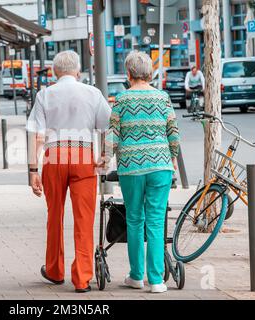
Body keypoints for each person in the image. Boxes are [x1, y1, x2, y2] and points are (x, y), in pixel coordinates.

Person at [26, 51, 111, 293]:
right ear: (77, 72)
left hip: (54, 158)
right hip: (83, 157)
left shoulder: (45, 95)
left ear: (54, 72)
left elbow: (37, 136)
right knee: (84, 219)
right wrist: (105, 157)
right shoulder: (93, 93)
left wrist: (33, 170)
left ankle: (54, 270)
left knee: (54, 215)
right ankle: (82, 278)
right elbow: (109, 127)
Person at [101, 51, 180, 294]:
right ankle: (156, 280)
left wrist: (104, 160)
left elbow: (112, 135)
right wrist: (173, 158)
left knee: (134, 220)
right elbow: (173, 131)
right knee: (156, 222)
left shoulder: (122, 99)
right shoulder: (163, 97)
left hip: (131, 167)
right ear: (150, 73)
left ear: (128, 73)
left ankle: (136, 276)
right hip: (160, 166)